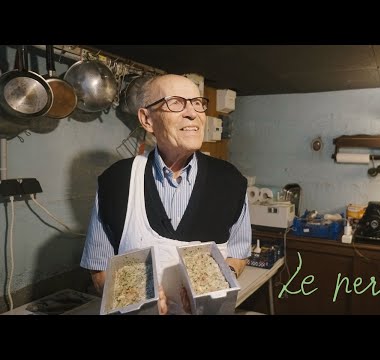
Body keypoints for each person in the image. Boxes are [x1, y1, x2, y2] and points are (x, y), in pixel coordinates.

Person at [80, 74, 251, 314]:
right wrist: (134, 301)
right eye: (176, 102)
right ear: (147, 119)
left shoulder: (230, 181)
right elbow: (99, 268)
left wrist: (222, 279)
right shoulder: (117, 181)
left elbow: (237, 253)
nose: (193, 113)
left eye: (197, 103)